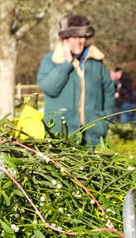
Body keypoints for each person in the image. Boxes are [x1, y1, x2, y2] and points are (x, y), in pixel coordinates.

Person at [36, 14, 115, 146]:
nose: (80, 41)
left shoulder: (96, 62)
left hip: (92, 133)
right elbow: (49, 88)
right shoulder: (50, 60)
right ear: (65, 39)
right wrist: (66, 64)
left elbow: (109, 91)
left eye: (83, 37)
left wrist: (104, 120)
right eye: (75, 37)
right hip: (60, 133)